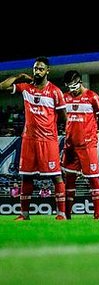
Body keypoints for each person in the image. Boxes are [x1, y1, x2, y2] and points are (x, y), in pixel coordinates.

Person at [0, 56, 67, 221]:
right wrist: (18, 77)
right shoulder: (26, 88)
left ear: (47, 71)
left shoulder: (55, 92)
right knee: (26, 176)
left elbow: (64, 117)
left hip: (48, 141)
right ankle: (24, 214)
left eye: (41, 68)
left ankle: (61, 214)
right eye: (35, 68)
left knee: (56, 176)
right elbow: (2, 86)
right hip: (29, 140)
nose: (37, 71)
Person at [61, 70, 99, 220]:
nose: (72, 89)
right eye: (69, 86)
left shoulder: (93, 97)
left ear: (80, 81)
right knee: (70, 179)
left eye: (74, 85)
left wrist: (91, 132)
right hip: (70, 146)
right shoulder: (65, 98)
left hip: (87, 146)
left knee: (93, 179)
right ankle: (67, 215)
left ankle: (97, 215)